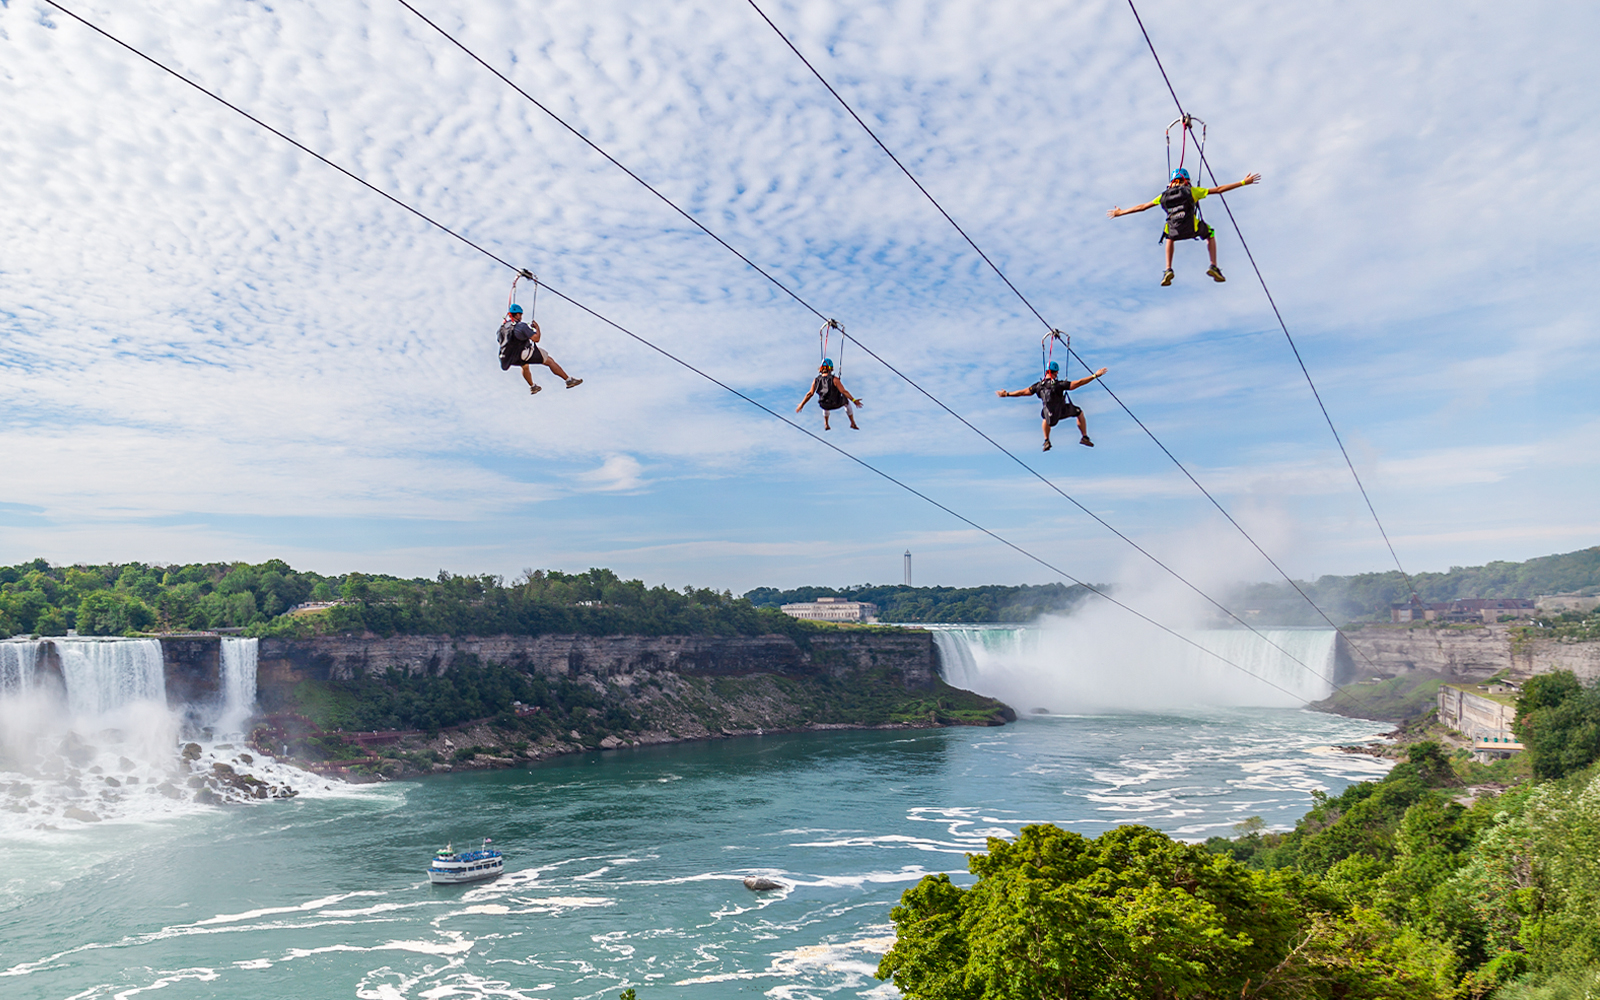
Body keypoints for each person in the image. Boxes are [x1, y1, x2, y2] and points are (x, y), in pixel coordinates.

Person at [1107, 167, 1261, 286]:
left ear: (1172, 182)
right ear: (1186, 180)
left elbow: (1142, 207)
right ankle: (1213, 266)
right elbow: (1219, 189)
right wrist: (1242, 182)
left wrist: (1121, 212)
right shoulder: (1192, 191)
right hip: (1192, 229)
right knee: (1210, 233)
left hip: (1175, 231)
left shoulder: (1163, 196)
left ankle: (1168, 268)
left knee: (1168, 236)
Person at [996, 361, 1107, 451]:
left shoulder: (1038, 386)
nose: (1057, 375)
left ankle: (1046, 440)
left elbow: (1022, 392)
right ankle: (1084, 437)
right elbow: (1078, 383)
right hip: (1062, 411)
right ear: (1055, 372)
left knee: (1045, 415)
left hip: (1049, 415)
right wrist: (1094, 375)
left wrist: (1007, 394)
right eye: (1056, 373)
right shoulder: (1059, 384)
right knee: (1079, 412)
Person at [498, 304, 582, 395]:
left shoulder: (501, 329)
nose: (521, 317)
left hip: (509, 357)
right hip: (522, 353)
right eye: (520, 315)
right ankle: (568, 380)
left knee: (524, 365)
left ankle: (533, 387)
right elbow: (536, 339)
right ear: (517, 315)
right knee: (549, 361)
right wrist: (537, 328)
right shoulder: (521, 326)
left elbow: (501, 341)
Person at [795, 359, 862, 430]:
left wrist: (801, 405)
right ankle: (852, 422)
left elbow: (810, 394)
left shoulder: (816, 380)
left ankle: (826, 424)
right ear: (831, 369)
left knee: (825, 403)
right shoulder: (835, 379)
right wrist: (854, 400)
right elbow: (844, 392)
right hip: (836, 403)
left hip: (824, 404)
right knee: (846, 402)